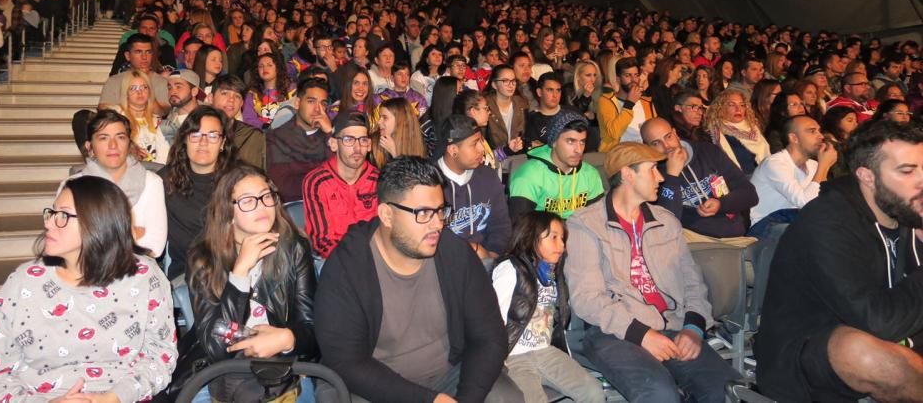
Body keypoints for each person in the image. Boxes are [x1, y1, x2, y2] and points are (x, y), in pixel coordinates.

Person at [313, 156, 522, 403]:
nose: (437, 224)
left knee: (507, 398)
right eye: (423, 213)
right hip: (373, 387)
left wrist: (468, 398)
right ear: (387, 215)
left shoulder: (455, 253)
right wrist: (428, 400)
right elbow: (347, 362)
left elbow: (489, 336)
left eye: (440, 211)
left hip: (449, 375)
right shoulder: (347, 268)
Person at [755, 120, 923, 401]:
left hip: (896, 333)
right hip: (806, 355)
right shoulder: (826, 222)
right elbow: (877, 321)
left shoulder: (903, 208)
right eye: (907, 171)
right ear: (867, 177)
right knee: (864, 354)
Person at [0, 176, 176, 402]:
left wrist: (115, 397)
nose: (49, 223)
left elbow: (160, 357)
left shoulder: (145, 277)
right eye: (51, 213)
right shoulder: (23, 284)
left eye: (63, 216)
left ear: (98, 222)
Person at [566, 142, 739, 402]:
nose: (661, 177)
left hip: (673, 326)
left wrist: (694, 328)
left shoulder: (666, 222)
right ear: (627, 174)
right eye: (652, 170)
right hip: (616, 333)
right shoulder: (585, 224)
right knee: (659, 395)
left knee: (727, 390)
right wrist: (642, 335)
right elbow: (587, 298)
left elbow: (693, 283)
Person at [188, 166, 318, 402]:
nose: (261, 206)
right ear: (228, 212)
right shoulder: (204, 259)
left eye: (266, 196)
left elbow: (313, 329)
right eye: (248, 201)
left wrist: (288, 338)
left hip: (283, 372)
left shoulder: (293, 248)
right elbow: (216, 350)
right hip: (222, 376)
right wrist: (240, 273)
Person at [491, 211, 606, 403]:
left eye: (562, 238)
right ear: (530, 236)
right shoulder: (511, 268)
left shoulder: (552, 272)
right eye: (553, 237)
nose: (561, 245)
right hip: (513, 356)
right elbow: (493, 318)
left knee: (593, 392)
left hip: (544, 350)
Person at [68, 109, 167, 256]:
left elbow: (155, 247)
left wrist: (94, 237)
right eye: (103, 138)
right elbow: (68, 244)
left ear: (129, 143)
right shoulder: (72, 186)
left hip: (137, 274)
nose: (113, 145)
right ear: (90, 147)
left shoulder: (152, 182)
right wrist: (132, 232)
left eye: (120, 137)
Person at [642, 118, 758, 242]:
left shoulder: (707, 152)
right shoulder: (652, 173)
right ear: (646, 146)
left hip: (735, 236)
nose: (666, 146)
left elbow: (750, 195)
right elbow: (667, 224)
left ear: (675, 133)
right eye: (656, 143)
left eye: (668, 137)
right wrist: (672, 177)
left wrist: (721, 204)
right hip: (694, 241)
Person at [160, 105, 234, 280]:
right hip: (187, 277)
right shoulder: (164, 181)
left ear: (223, 143)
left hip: (234, 269)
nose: (203, 142)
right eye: (196, 134)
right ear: (185, 139)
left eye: (213, 136)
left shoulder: (239, 181)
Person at [302, 111, 380, 261]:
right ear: (333, 144)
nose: (358, 148)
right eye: (348, 139)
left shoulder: (379, 180)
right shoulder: (317, 181)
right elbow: (321, 241)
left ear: (369, 145)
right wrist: (355, 261)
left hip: (374, 259)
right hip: (334, 261)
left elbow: (386, 232)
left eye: (363, 140)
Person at [438, 115, 512, 266]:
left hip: (486, 262)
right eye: (474, 144)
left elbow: (501, 226)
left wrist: (491, 255)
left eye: (481, 141)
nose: (482, 149)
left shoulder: (488, 176)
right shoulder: (429, 183)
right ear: (453, 150)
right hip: (445, 265)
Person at [748, 115, 838, 238]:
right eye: (812, 131)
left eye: (819, 131)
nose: (821, 136)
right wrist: (824, 166)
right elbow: (805, 203)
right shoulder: (775, 163)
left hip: (795, 223)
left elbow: (822, 204)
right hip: (766, 228)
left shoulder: (814, 165)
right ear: (794, 138)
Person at [509, 111, 605, 221]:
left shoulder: (590, 174)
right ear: (553, 142)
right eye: (570, 141)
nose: (578, 150)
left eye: (582, 142)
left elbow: (598, 222)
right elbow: (521, 228)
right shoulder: (528, 176)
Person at [266, 77, 332, 203]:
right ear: (297, 103)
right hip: (296, 209)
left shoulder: (331, 135)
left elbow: (344, 176)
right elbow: (283, 187)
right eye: (311, 101)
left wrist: (330, 134)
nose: (318, 109)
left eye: (323, 103)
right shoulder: (277, 137)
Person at [102, 69, 170, 165]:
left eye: (144, 87)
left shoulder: (158, 121)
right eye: (133, 88)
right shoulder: (116, 117)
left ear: (150, 92)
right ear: (126, 93)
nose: (140, 92)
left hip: (156, 171)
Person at [703, 88, 770, 174]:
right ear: (721, 108)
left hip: (764, 176)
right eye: (731, 105)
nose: (738, 109)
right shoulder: (715, 133)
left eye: (742, 105)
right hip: (740, 181)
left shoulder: (753, 128)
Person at [598, 57, 658, 151]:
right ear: (618, 79)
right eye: (628, 75)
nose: (633, 80)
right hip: (618, 155)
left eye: (636, 75)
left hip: (645, 154)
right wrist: (629, 104)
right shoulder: (606, 101)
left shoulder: (647, 102)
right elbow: (613, 133)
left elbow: (656, 132)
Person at [99, 33, 170, 109]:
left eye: (148, 52)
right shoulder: (114, 81)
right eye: (138, 52)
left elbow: (164, 110)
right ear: (128, 56)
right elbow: (103, 108)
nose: (144, 57)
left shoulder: (162, 82)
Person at [241, 52, 295, 130]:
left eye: (269, 65)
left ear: (278, 68)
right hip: (261, 135)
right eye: (261, 66)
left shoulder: (291, 90)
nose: (265, 68)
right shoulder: (252, 94)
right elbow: (248, 119)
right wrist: (265, 126)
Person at [370, 97, 427, 169]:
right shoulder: (373, 143)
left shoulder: (418, 144)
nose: (379, 122)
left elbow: (411, 178)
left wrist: (395, 154)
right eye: (380, 117)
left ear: (400, 120)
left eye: (385, 117)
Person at [485, 64, 527, 153]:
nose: (511, 85)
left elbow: (525, 136)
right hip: (492, 158)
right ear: (494, 85)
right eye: (505, 81)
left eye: (513, 81)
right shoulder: (485, 107)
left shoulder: (521, 104)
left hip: (516, 157)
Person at [159, 69, 201, 143]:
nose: (172, 92)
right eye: (169, 88)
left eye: (178, 87)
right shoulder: (165, 124)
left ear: (194, 91)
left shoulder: (207, 118)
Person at [525, 72, 564, 148]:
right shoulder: (530, 119)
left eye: (558, 90)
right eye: (550, 90)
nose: (555, 95)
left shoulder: (572, 114)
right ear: (539, 92)